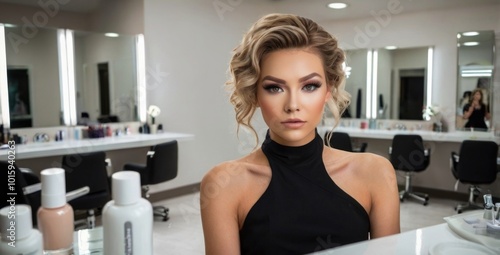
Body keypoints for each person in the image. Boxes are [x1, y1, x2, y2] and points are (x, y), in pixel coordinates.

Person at [200, 14, 400, 255]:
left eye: (309, 86)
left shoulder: (375, 173)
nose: (293, 104)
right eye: (274, 87)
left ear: (329, 89)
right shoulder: (224, 185)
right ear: (255, 94)